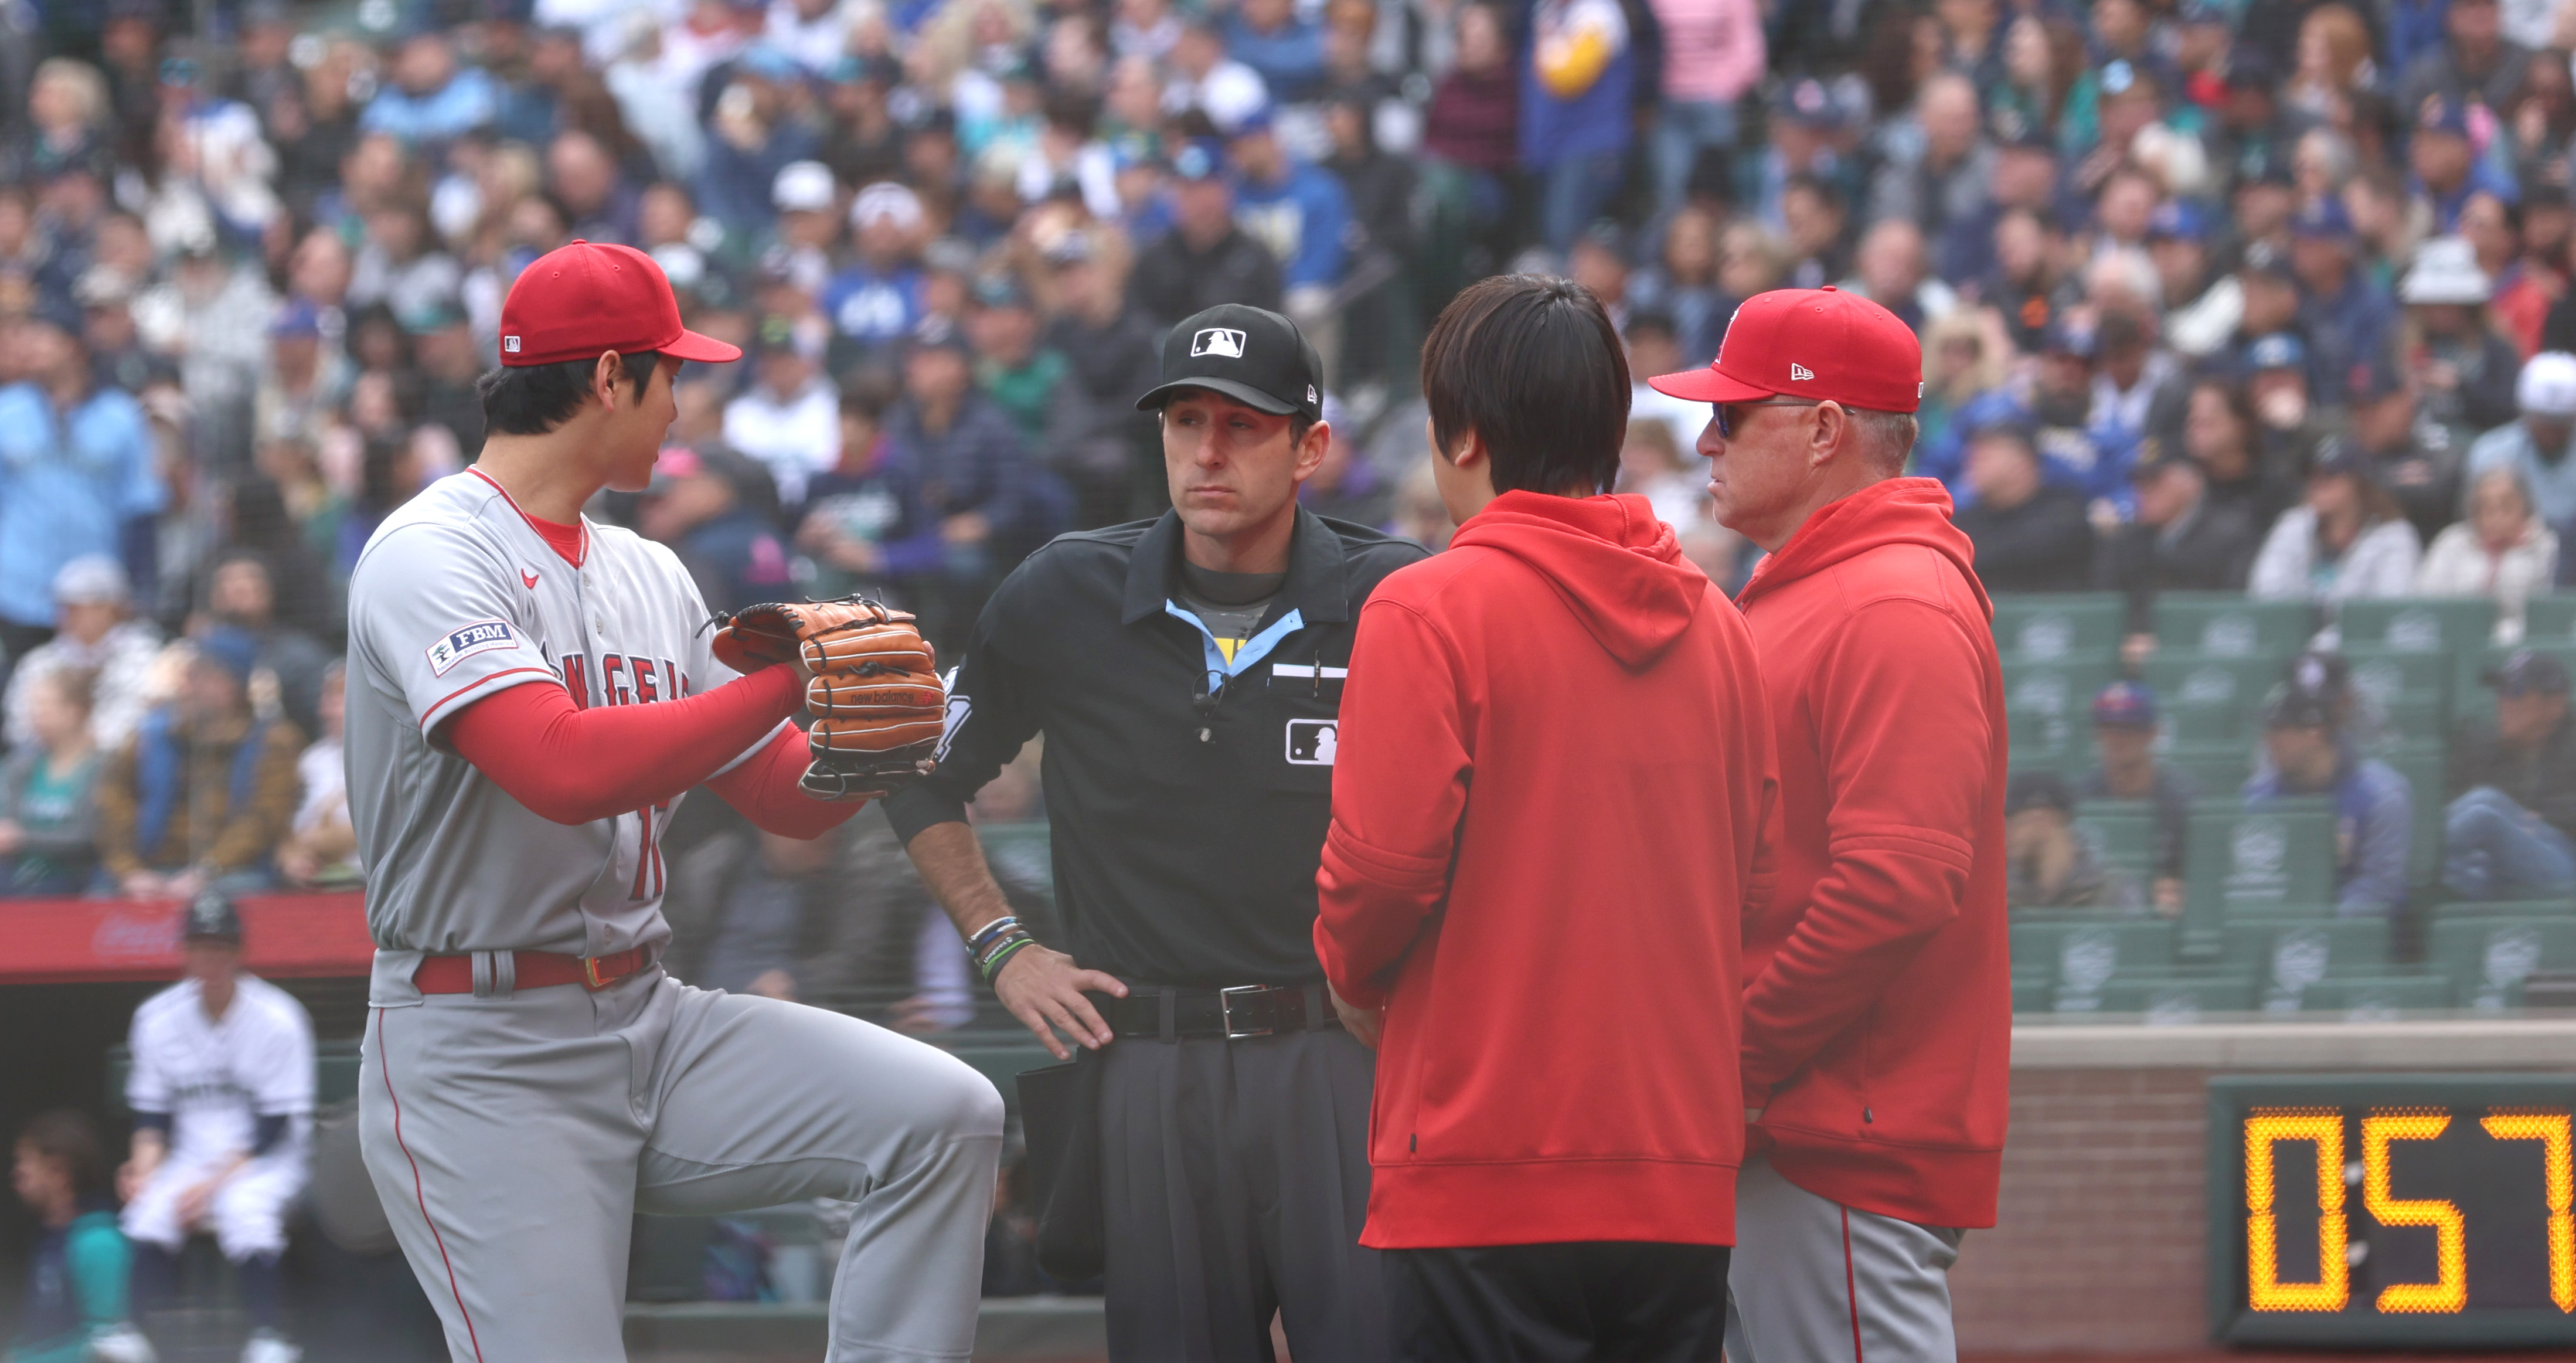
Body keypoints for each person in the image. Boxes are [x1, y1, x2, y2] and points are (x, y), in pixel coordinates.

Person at [342, 240, 1003, 1362]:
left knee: (943, 1121)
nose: (685, 399)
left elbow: (786, 799)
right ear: (609, 378)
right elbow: (562, 768)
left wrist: (920, 728)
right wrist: (789, 678)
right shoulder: (430, 553)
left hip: (649, 1016)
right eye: (672, 372)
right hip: (481, 1049)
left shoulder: (649, 569)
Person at [884, 303, 1426, 1361]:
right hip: (1145, 1058)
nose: (1208, 452)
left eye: (1244, 424)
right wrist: (1004, 948)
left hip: (1343, 1049)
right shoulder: (1064, 589)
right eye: (1186, 421)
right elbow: (917, 777)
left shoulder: (1396, 596)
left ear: (1310, 447)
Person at [1313, 274, 1774, 1359]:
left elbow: (1380, 872)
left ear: (1461, 435)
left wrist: (1348, 973)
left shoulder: (1427, 605)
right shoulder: (1721, 625)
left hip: (1482, 1165)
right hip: (1678, 1171)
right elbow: (1756, 875)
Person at [1649, 287, 2009, 1361]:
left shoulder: (1893, 603)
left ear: (1823, 430)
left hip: (1834, 1138)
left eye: (1735, 414)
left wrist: (1736, 1062)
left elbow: (1896, 884)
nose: (1705, 438)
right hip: (1786, 1133)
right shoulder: (1816, 585)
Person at [120, 890, 315, 1363]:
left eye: (221, 946)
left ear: (238, 952)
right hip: (190, 1156)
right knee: (149, 1208)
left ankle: (270, 1337)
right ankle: (131, 1336)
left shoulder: (278, 1017)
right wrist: (143, 1170)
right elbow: (152, 1119)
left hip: (267, 1159)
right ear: (184, 950)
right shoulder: (156, 1018)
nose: (211, 957)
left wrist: (205, 1189)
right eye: (201, 945)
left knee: (246, 1209)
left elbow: (272, 1128)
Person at [0, 302, 165, 664]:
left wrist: (141, 588)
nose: (32, 348)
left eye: (43, 339)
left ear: (73, 347)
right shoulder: (8, 411)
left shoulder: (120, 416)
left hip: (94, 592)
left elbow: (140, 505)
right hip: (16, 589)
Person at [94, 628, 305, 902]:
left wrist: (206, 872)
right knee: (98, 896)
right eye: (187, 674)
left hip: (230, 872)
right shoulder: (148, 737)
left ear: (232, 686)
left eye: (200, 675)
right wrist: (129, 871)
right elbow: (112, 804)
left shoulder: (273, 743)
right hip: (149, 872)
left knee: (241, 893)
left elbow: (261, 822)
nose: (186, 684)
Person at [2244, 678, 2414, 917]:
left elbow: (2380, 888)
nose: (2269, 741)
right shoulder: (2259, 798)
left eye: (2280, 730)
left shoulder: (2381, 795)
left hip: (2358, 941)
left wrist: (2322, 924)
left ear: (2315, 733)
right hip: (2277, 926)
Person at [7, 1110, 148, 1363]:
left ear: (58, 1173)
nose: (17, 1173)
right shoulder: (50, 1241)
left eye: (25, 1163)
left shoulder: (99, 1244)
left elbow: (111, 1352)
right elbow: (40, 1337)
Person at [2095, 446, 2263, 645]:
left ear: (2191, 484)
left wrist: (2168, 643)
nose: (2142, 491)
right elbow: (2105, 608)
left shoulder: (2229, 536)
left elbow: (2234, 609)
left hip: (2203, 650)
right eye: (2138, 482)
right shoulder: (2124, 541)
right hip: (2133, 658)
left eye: (2154, 481)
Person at [2444, 650, 2576, 899]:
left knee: (2484, 813)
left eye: (2515, 692)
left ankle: (2404, 857)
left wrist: (2544, 815)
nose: (2503, 703)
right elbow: (2453, 798)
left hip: (2567, 860)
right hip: (2502, 860)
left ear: (2555, 704)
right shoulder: (2483, 746)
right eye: (2500, 692)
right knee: (2466, 871)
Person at [2248, 446, 2425, 609]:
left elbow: (2392, 608)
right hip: (2296, 641)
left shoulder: (2393, 536)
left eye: (2330, 475)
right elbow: (2265, 596)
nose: (2318, 483)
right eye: (2312, 475)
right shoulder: (2293, 525)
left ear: (2359, 482)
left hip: (2362, 642)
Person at [2076, 681, 2194, 916]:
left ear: (2152, 733)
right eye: (2108, 728)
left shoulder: (2184, 799)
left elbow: (2200, 875)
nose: (2117, 738)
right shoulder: (2080, 800)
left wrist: (2179, 889)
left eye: (2129, 728)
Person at [1949, 422, 2097, 592]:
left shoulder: (2063, 510)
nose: (1971, 462)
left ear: (2023, 461)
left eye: (1986, 454)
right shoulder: (1966, 520)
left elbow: (2030, 548)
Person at [2417, 466, 2559, 642]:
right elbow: (2426, 599)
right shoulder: (2451, 542)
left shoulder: (2543, 545)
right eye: (2486, 507)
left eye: (2506, 506)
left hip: (2522, 643)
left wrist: (2511, 555)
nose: (2496, 516)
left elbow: (2542, 610)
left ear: (2525, 508)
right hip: (2455, 638)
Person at [0, 669, 103, 898]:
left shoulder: (100, 768)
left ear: (74, 711)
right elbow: (9, 822)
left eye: (45, 706)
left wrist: (23, 839)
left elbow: (87, 838)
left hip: (75, 883)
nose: (36, 715)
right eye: (34, 707)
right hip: (19, 880)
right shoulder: (23, 766)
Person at [2466, 351, 2576, 531]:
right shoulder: (2489, 454)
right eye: (2541, 420)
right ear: (2525, 413)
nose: (2550, 431)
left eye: (2559, 422)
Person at [274, 661, 357, 890]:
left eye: (335, 701)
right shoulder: (312, 760)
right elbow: (289, 831)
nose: (324, 711)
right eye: (324, 700)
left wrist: (314, 842)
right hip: (318, 887)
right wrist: (291, 857)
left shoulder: (394, 759)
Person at [2002, 771, 2107, 909]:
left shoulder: (2108, 890)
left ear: (2043, 821)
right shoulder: (2004, 891)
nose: (2007, 834)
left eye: (2016, 823)